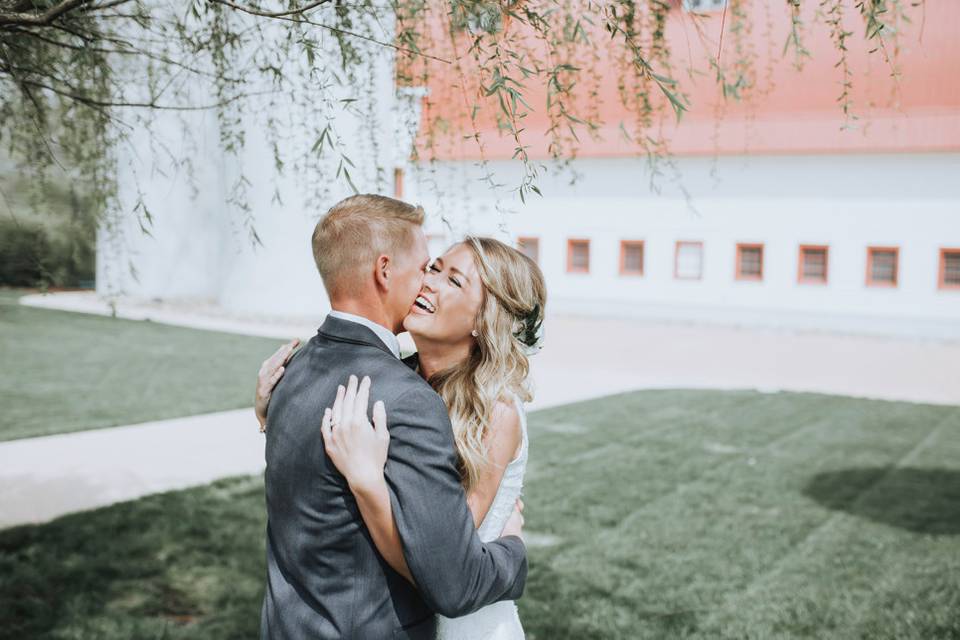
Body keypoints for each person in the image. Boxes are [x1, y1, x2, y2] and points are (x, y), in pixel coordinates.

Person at [256, 195, 530, 639]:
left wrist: (367, 484)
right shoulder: (404, 393)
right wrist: (515, 554)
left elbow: (443, 563)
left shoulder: (300, 368)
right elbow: (452, 579)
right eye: (430, 267)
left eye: (449, 278)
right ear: (385, 271)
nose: (429, 282)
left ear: (484, 317)